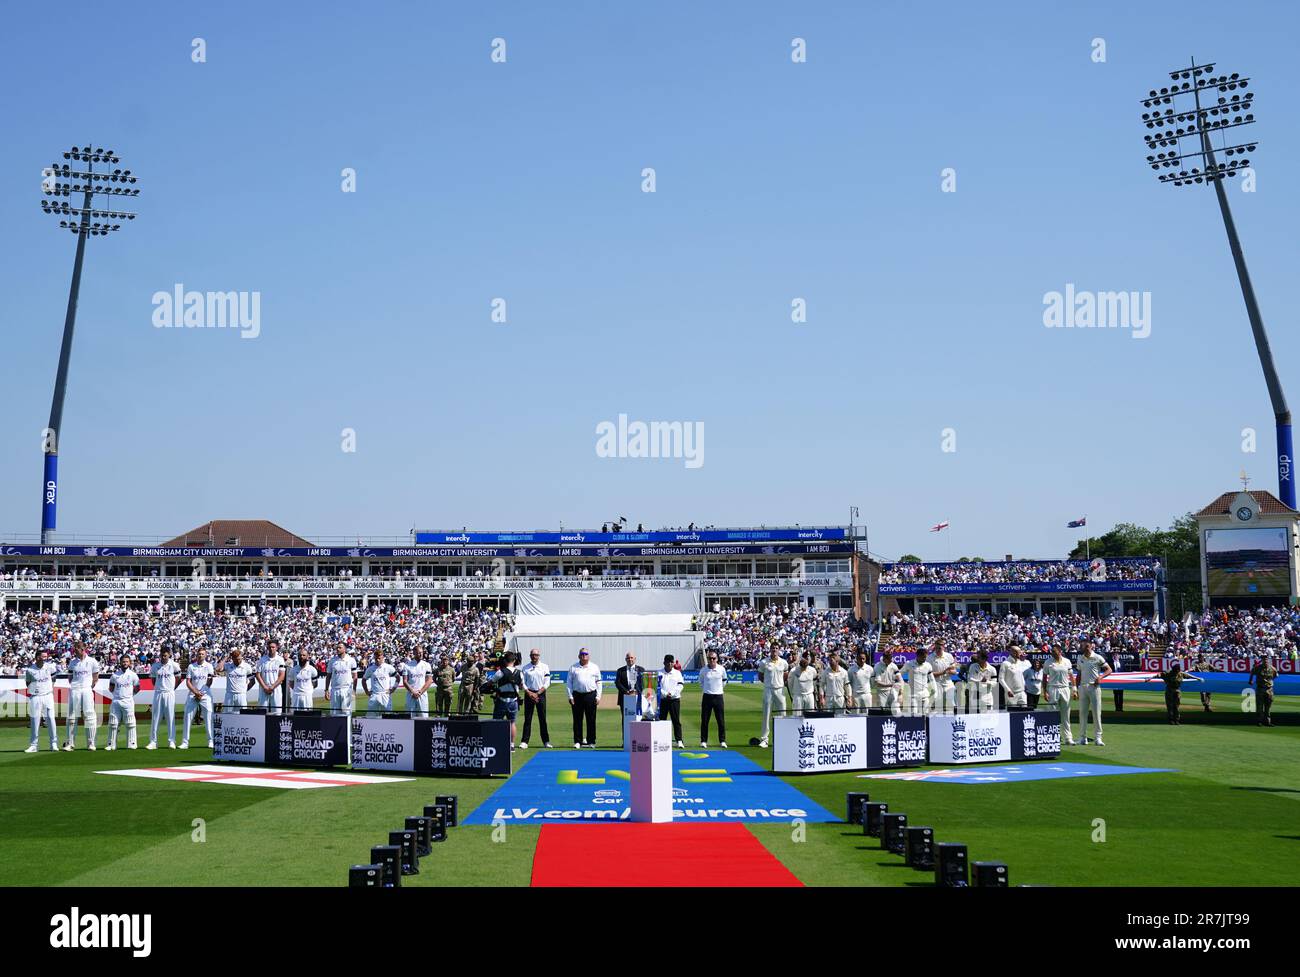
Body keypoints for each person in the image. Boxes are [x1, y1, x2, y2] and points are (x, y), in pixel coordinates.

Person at [64, 642, 101, 751]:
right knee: (71, 716)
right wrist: (75, 686)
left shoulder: (92, 661)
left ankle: (91, 743)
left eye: (77, 648)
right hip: (75, 689)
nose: (75, 650)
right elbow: (70, 677)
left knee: (89, 715)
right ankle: (70, 743)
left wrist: (89, 686)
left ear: (84, 648)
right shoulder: (72, 662)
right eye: (74, 649)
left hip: (86, 689)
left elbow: (96, 677)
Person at [23, 648, 60, 753]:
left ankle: (53, 743)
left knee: (51, 720)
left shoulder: (50, 667)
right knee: (35, 721)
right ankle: (34, 745)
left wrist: (49, 689)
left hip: (48, 696)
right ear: (37, 657)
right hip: (35, 696)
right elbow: (28, 683)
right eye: (43, 656)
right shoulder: (30, 670)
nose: (45, 658)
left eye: (46, 656)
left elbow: (54, 678)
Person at [1076, 642, 1112, 746]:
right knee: (1082, 713)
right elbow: (1079, 674)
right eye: (1084, 646)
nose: (1086, 648)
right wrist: (1075, 688)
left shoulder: (1097, 657)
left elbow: (1109, 670)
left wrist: (1100, 677)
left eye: (1087, 646)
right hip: (1083, 687)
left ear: (1091, 646)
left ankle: (1098, 738)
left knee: (1096, 713)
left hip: (1094, 687)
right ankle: (1082, 738)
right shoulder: (1080, 658)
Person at [565, 648, 602, 748]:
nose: (584, 656)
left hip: (591, 695)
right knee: (577, 719)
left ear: (589, 656)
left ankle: (591, 741)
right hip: (577, 695)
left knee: (591, 719)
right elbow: (569, 683)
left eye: (586, 654)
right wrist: (570, 696)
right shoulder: (573, 667)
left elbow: (599, 683)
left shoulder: (594, 667)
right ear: (579, 656)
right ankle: (578, 741)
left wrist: (598, 696)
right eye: (582, 654)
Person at [146, 646, 181, 749]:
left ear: (169, 655)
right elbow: (153, 680)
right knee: (155, 718)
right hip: (158, 693)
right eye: (162, 655)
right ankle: (153, 742)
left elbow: (178, 678)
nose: (164, 657)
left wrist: (171, 688)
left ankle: (172, 741)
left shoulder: (174, 665)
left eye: (165, 655)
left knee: (170, 717)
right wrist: (159, 687)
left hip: (169, 693)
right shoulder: (155, 666)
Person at [486, 652, 523, 748]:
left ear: (505, 660)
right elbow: (521, 686)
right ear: (514, 660)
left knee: (497, 722)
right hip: (513, 701)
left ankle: (497, 743)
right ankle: (511, 744)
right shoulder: (519, 673)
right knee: (512, 723)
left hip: (501, 700)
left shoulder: (500, 672)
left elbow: (490, 682)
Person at [181, 647, 215, 749]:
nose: (200, 655)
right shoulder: (191, 666)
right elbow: (188, 682)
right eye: (199, 654)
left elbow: (209, 681)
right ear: (196, 655)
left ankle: (211, 741)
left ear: (205, 655)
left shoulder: (209, 666)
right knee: (187, 717)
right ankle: (185, 742)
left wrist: (201, 693)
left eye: (202, 654)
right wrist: (195, 692)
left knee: (209, 718)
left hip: (205, 694)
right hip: (193, 694)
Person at [106, 653, 140, 751]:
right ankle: (111, 744)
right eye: (123, 661)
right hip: (116, 701)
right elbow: (111, 688)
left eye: (127, 662)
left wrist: (129, 695)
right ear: (120, 662)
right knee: (113, 723)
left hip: (128, 701)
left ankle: (132, 744)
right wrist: (118, 695)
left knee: (130, 723)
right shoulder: (115, 675)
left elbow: (137, 688)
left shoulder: (133, 675)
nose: (125, 663)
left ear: (130, 663)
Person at [1044, 645, 1077, 746]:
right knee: (1052, 714)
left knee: (1066, 715)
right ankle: (1054, 737)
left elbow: (1071, 676)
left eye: (1054, 651)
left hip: (1065, 688)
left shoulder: (1067, 661)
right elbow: (1044, 678)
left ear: (1059, 651)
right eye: (1051, 651)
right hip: (1053, 688)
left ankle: (1068, 738)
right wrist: (1044, 691)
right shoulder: (1048, 662)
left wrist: (1074, 689)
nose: (1052, 653)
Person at [757, 647, 789, 748]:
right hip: (768, 690)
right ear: (770, 650)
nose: (775, 650)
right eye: (773, 648)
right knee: (766, 715)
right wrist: (768, 683)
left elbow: (785, 675)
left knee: (782, 715)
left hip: (780, 690)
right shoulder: (764, 662)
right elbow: (760, 676)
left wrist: (779, 683)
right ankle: (764, 739)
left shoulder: (783, 662)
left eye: (776, 648)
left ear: (779, 650)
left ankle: (782, 738)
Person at [520, 648, 552, 748]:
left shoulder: (544, 667)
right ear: (530, 656)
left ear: (539, 656)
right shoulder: (525, 668)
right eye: (533, 655)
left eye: (536, 655)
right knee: (528, 718)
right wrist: (529, 693)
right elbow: (523, 683)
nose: (534, 657)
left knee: (542, 718)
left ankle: (546, 741)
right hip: (529, 694)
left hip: (540, 693)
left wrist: (537, 693)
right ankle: (524, 742)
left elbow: (547, 682)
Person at [699, 651, 728, 748]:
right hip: (707, 697)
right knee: (705, 720)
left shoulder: (721, 669)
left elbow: (724, 680)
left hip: (718, 697)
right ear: (707, 659)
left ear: (717, 659)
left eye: (714, 658)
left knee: (720, 720)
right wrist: (706, 690)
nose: (712, 660)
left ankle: (722, 741)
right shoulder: (703, 670)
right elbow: (701, 682)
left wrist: (719, 689)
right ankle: (703, 741)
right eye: (710, 658)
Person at [657, 654, 684, 747]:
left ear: (673, 663)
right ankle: (661, 740)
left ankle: (679, 740)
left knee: (676, 720)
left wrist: (672, 693)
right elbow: (657, 687)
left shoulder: (677, 673)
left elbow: (680, 685)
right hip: (662, 700)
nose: (669, 663)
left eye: (671, 662)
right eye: (667, 661)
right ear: (664, 662)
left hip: (674, 699)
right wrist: (664, 693)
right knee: (661, 720)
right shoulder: (659, 673)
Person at [324, 642, 358, 715]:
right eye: (337, 648)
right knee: (334, 714)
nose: (338, 649)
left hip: (347, 689)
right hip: (335, 690)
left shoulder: (351, 660)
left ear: (345, 649)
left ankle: (348, 727)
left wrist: (354, 690)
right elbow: (328, 676)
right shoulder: (332, 661)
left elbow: (355, 676)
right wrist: (326, 690)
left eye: (340, 648)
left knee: (347, 714)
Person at [363, 648, 399, 713]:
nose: (377, 660)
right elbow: (363, 680)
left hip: (385, 694)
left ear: (383, 658)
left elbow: (398, 678)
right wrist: (366, 691)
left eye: (379, 658)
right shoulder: (370, 669)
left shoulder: (389, 667)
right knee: (371, 717)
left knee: (387, 717)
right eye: (376, 658)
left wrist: (393, 689)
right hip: (374, 695)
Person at [254, 640, 286, 709]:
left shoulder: (280, 660)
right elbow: (257, 674)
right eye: (269, 647)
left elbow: (282, 676)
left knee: (277, 712)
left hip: (276, 688)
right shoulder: (262, 660)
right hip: (264, 688)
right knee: (262, 711)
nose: (271, 649)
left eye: (273, 647)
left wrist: (272, 687)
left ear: (277, 647)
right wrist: (265, 687)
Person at [1248, 655, 1278, 727]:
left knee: (1268, 706)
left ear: (1268, 660)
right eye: (1264, 660)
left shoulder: (1272, 668)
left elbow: (1276, 675)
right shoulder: (1258, 668)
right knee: (1259, 706)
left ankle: (1268, 721)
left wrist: (1270, 681)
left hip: (1269, 689)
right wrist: (1251, 680)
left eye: (1266, 659)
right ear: (1262, 660)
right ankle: (1259, 721)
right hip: (1260, 688)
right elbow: (1252, 672)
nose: (1265, 661)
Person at [930, 640, 957, 714]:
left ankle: (955, 715)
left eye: (941, 647)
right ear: (935, 646)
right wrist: (943, 672)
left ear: (944, 647)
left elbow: (954, 672)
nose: (939, 649)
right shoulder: (930, 658)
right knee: (937, 704)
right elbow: (930, 674)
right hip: (936, 682)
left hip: (948, 682)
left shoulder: (949, 656)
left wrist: (949, 671)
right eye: (938, 647)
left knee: (952, 701)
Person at [402, 646, 432, 716]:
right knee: (410, 718)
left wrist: (420, 692)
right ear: (414, 653)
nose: (421, 654)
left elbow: (429, 680)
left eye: (421, 652)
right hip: (411, 695)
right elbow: (404, 681)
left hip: (422, 694)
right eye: (418, 653)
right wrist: (413, 692)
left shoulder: (427, 665)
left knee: (424, 718)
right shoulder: (407, 665)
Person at [872, 649, 902, 715]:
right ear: (884, 658)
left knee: (896, 711)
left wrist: (900, 692)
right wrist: (890, 685)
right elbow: (878, 683)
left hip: (892, 691)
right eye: (889, 659)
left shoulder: (893, 665)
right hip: (881, 693)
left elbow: (899, 679)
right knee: (883, 712)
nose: (891, 661)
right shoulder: (877, 667)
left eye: (891, 659)